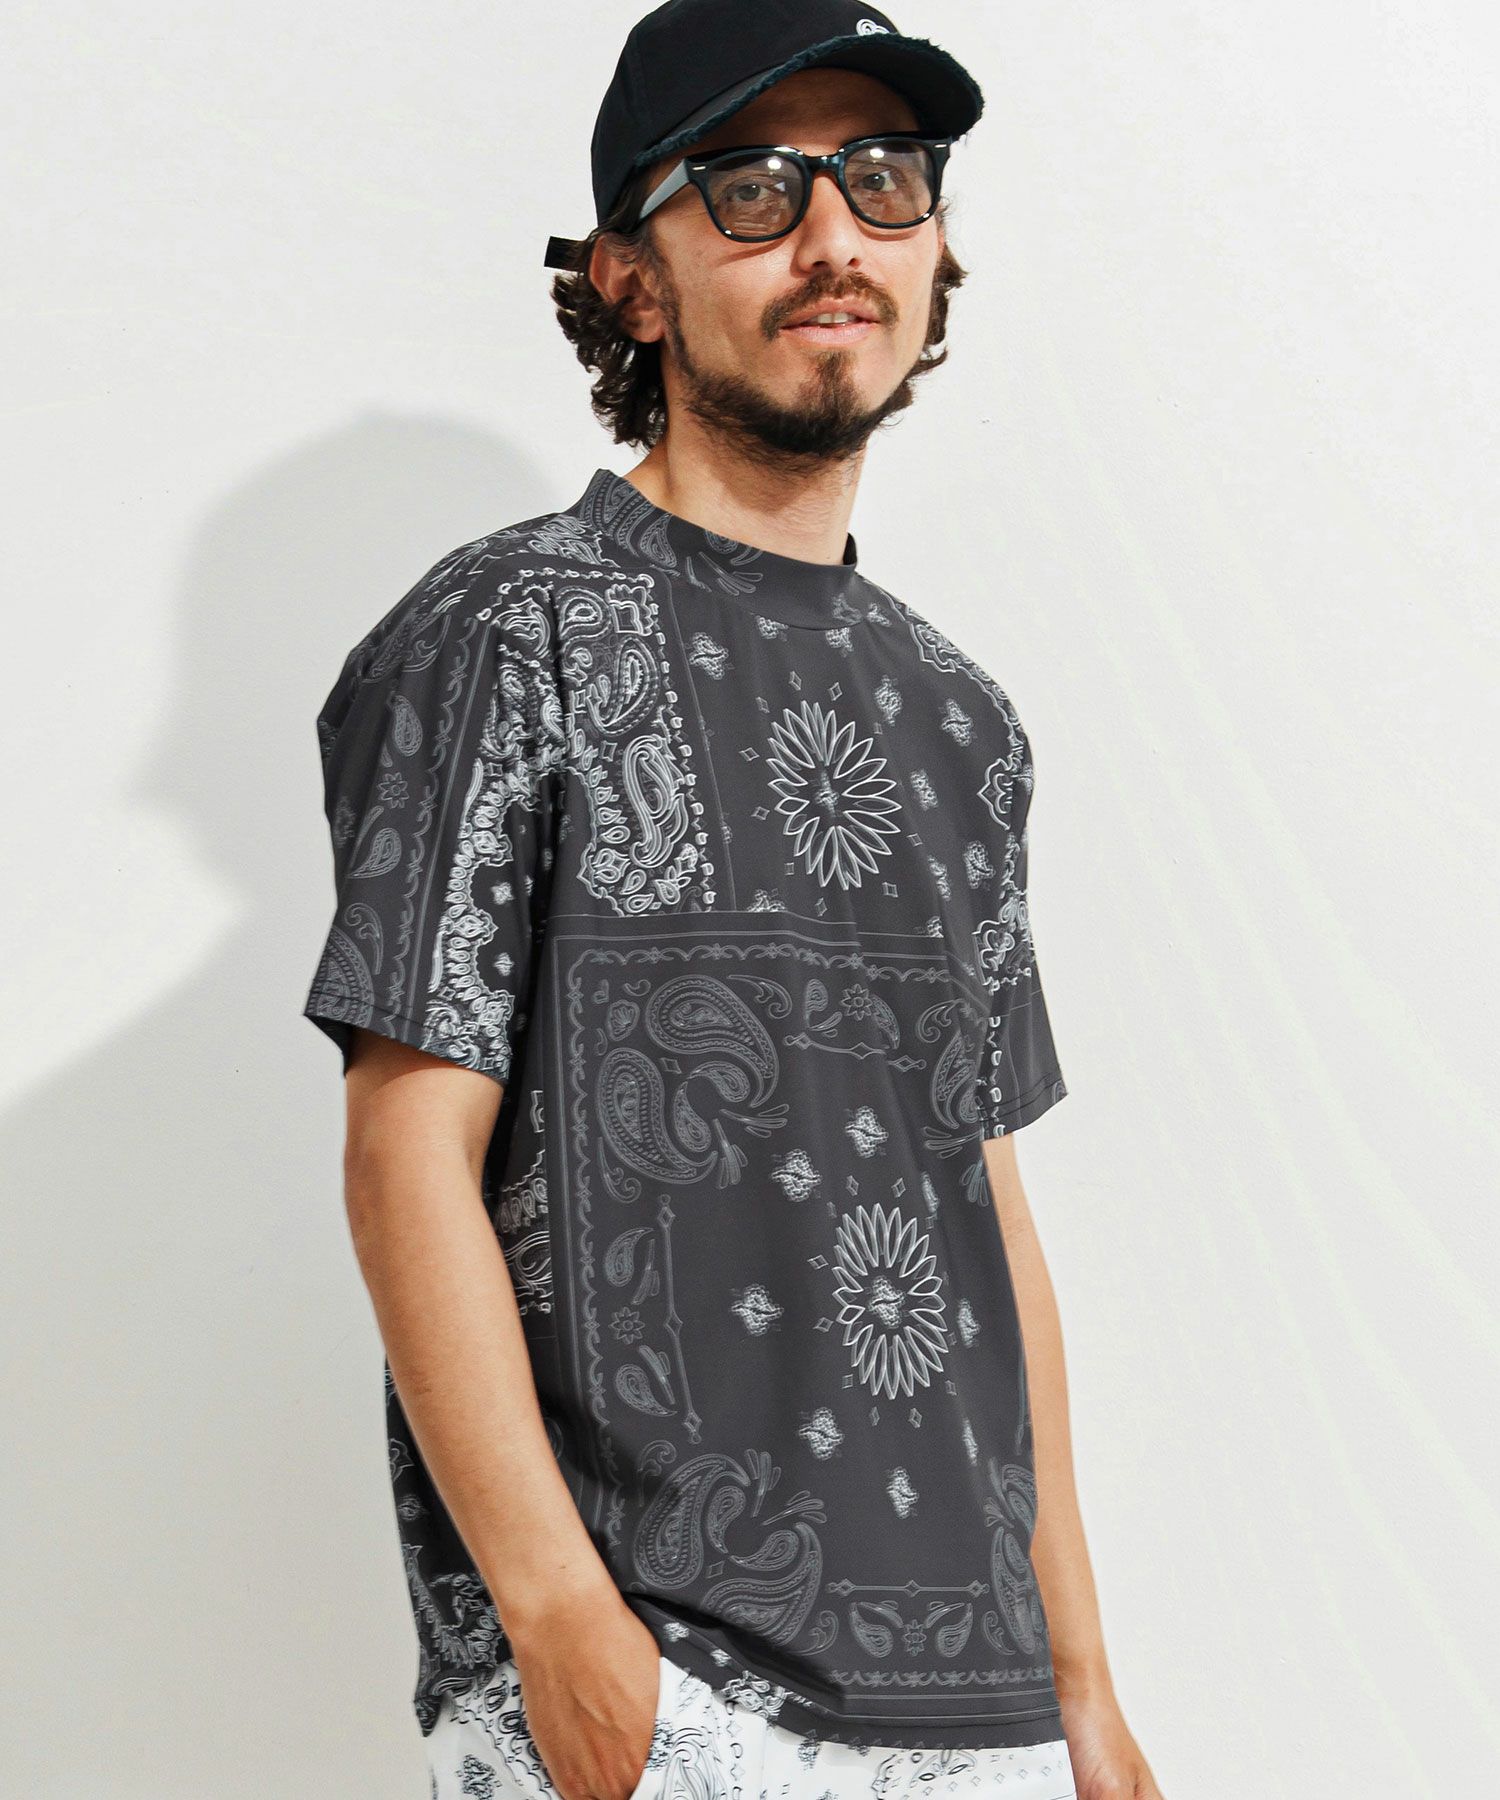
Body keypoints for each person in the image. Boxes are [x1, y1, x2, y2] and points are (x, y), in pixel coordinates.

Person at [302, 3, 1164, 1796]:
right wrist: (558, 1623)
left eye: (884, 179)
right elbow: (406, 1152)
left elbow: (987, 1211)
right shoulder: (504, 633)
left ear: (934, 248)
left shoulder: (964, 720)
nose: (836, 236)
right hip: (664, 1684)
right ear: (632, 279)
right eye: (757, 189)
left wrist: (1081, 1685)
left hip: (983, 1711)